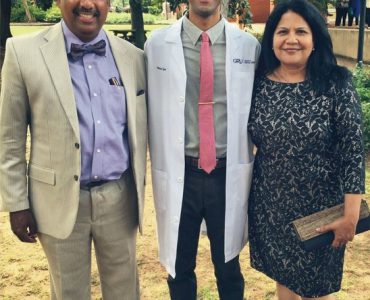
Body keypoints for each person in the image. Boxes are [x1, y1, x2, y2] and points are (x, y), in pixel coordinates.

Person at [0, 0, 147, 298]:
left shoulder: (134, 58)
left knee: (125, 291)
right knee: (69, 293)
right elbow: (10, 137)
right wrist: (17, 203)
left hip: (120, 198)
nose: (87, 4)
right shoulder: (22, 53)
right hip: (57, 200)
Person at [248, 0, 365, 299]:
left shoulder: (336, 84)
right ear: (271, 39)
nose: (291, 39)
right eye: (282, 31)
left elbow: (352, 151)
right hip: (271, 207)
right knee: (284, 283)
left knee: (317, 290)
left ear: (315, 40)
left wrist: (351, 217)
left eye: (301, 31)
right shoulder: (257, 85)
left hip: (322, 208)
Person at [144, 0, 260, 298]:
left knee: (228, 266)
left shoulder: (249, 48)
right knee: (179, 267)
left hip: (227, 173)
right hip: (180, 173)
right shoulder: (156, 45)